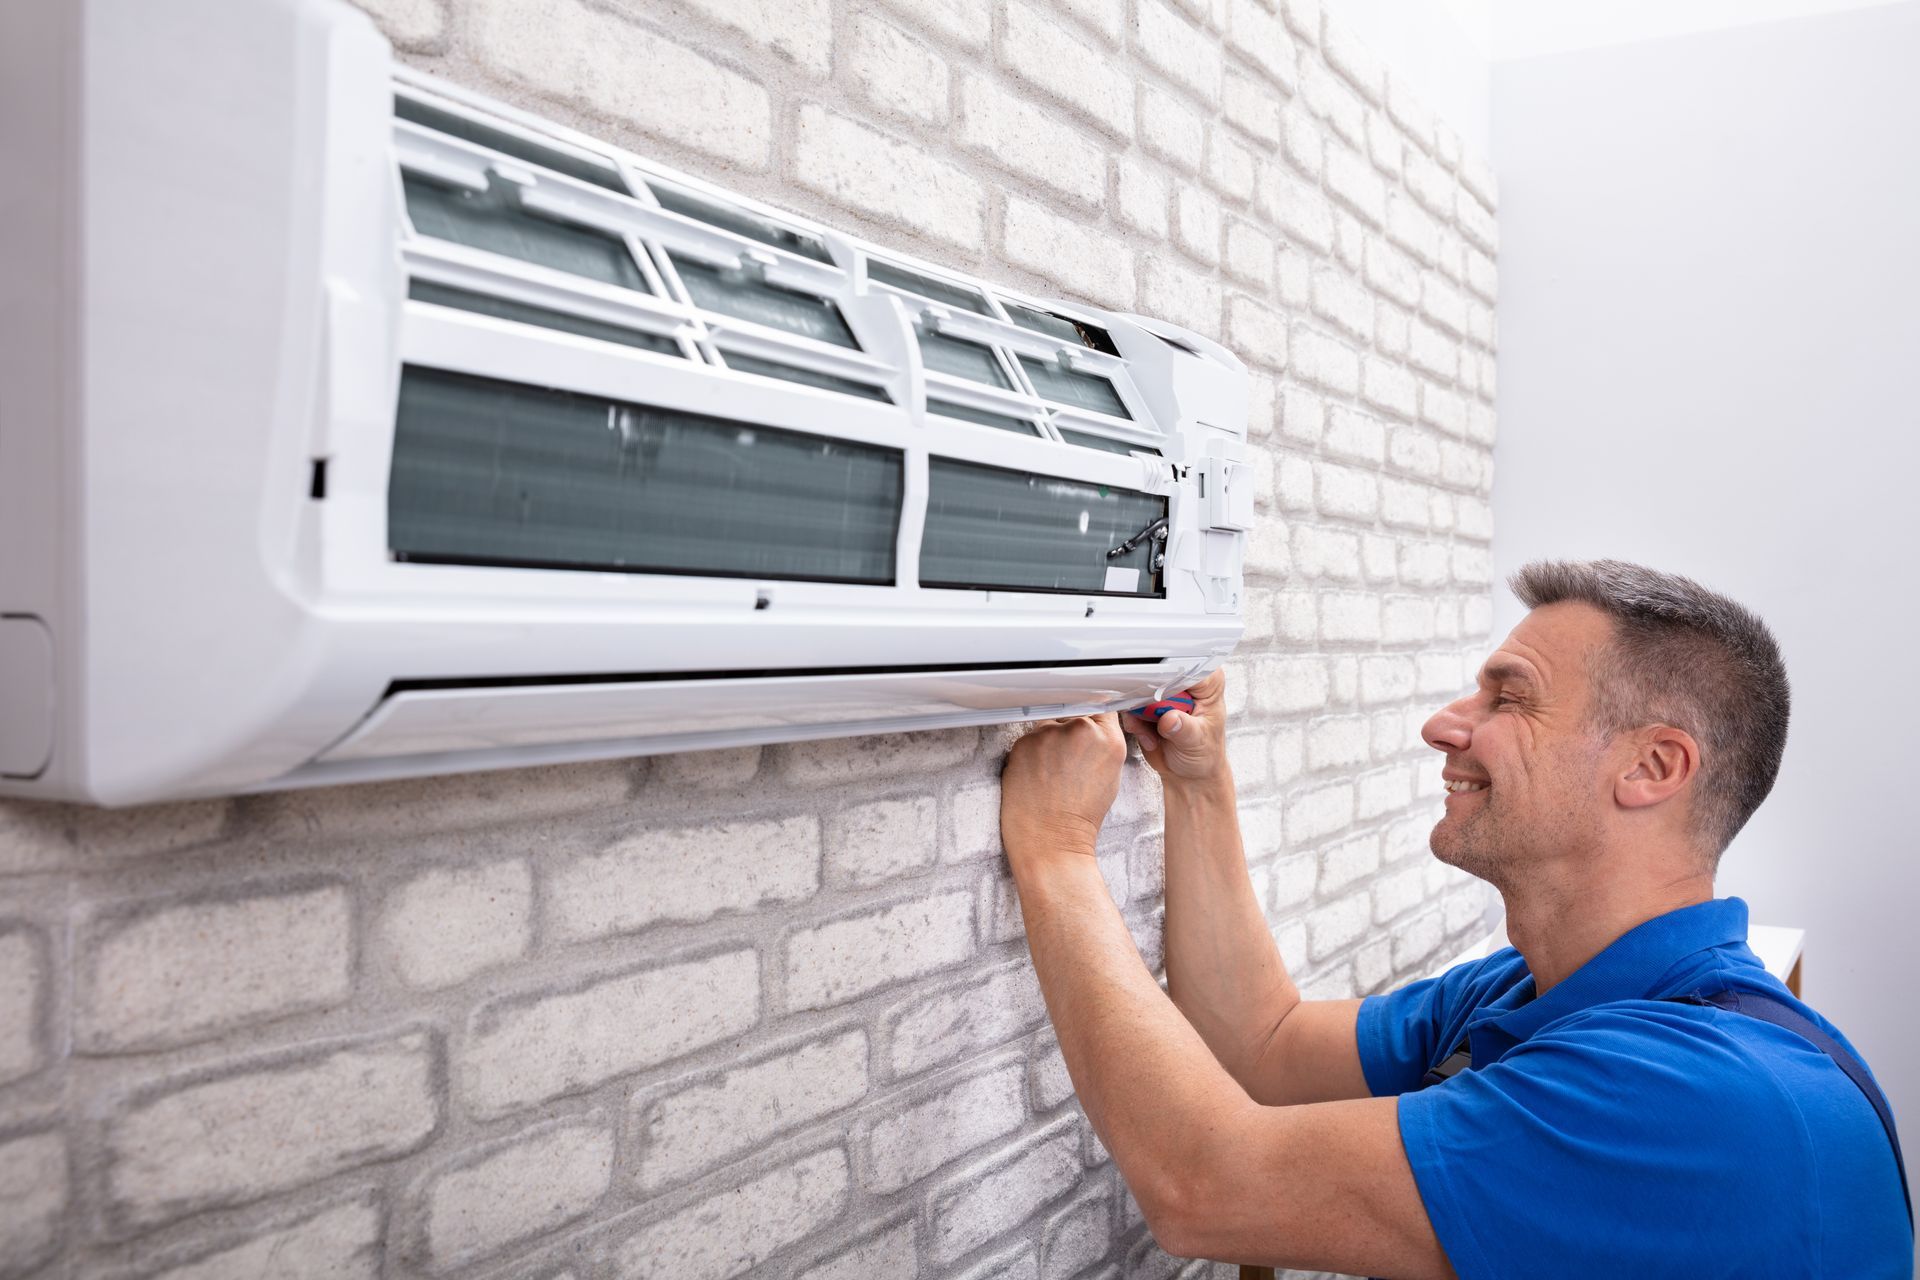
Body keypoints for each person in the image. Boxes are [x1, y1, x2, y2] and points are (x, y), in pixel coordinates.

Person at [999, 559, 1911, 1278]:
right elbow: (1261, 1050)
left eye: (1507, 698)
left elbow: (1205, 1188)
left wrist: (1057, 853)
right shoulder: (1532, 990)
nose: (1444, 725)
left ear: (1652, 768)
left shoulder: (1696, 1096)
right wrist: (1199, 787)